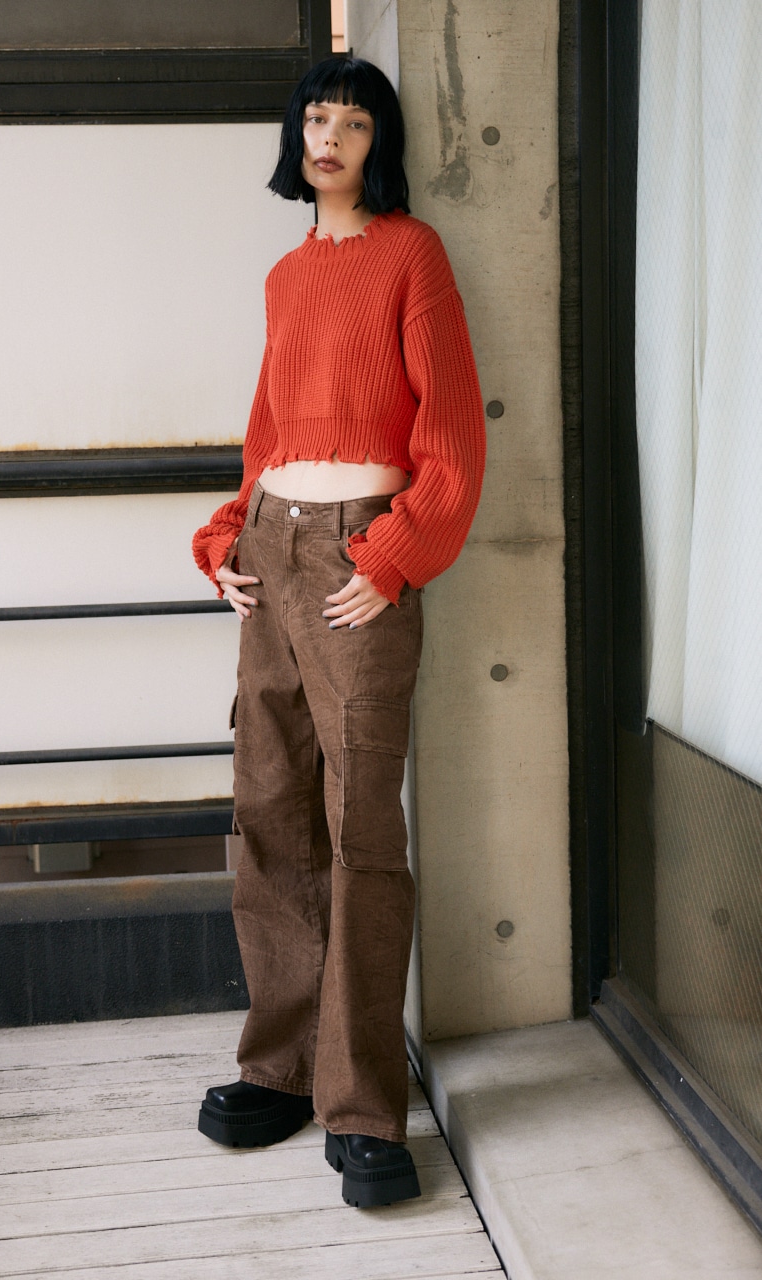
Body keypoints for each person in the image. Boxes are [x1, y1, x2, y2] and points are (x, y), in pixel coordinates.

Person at [192, 55, 485, 1209]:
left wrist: (394, 553)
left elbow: (451, 435)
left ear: (378, 144)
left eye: (353, 123)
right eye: (315, 118)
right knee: (268, 809)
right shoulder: (283, 276)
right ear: (295, 136)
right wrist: (228, 536)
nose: (329, 137)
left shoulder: (412, 255)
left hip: (358, 554)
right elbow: (266, 434)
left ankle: (361, 1104)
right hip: (272, 551)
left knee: (358, 824)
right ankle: (279, 1065)